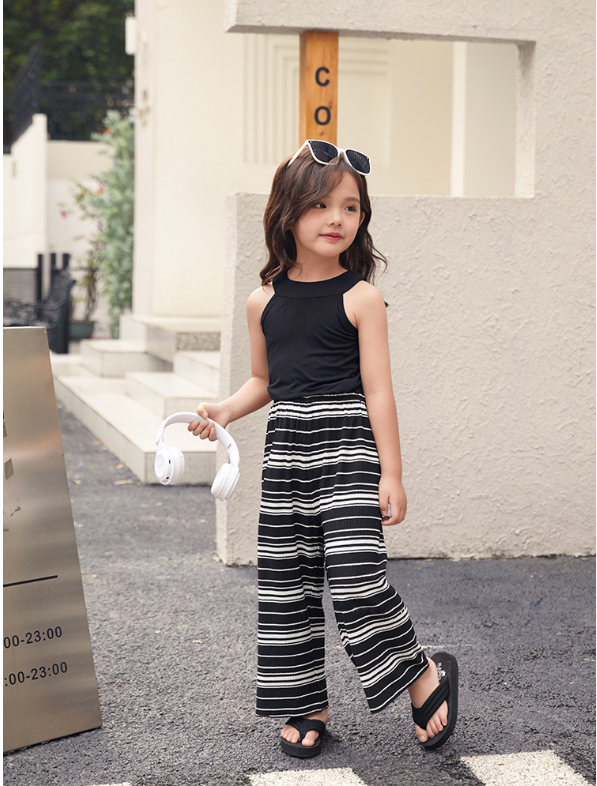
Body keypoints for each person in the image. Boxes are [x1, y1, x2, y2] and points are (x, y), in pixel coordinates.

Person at [189, 140, 458, 758]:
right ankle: (306, 703)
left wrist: (392, 474)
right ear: (287, 212)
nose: (337, 218)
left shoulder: (361, 297)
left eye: (351, 207)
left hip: (348, 451)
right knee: (288, 582)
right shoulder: (263, 301)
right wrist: (224, 411)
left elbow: (379, 391)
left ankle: (422, 674)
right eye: (320, 205)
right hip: (286, 451)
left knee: (358, 577)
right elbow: (265, 380)